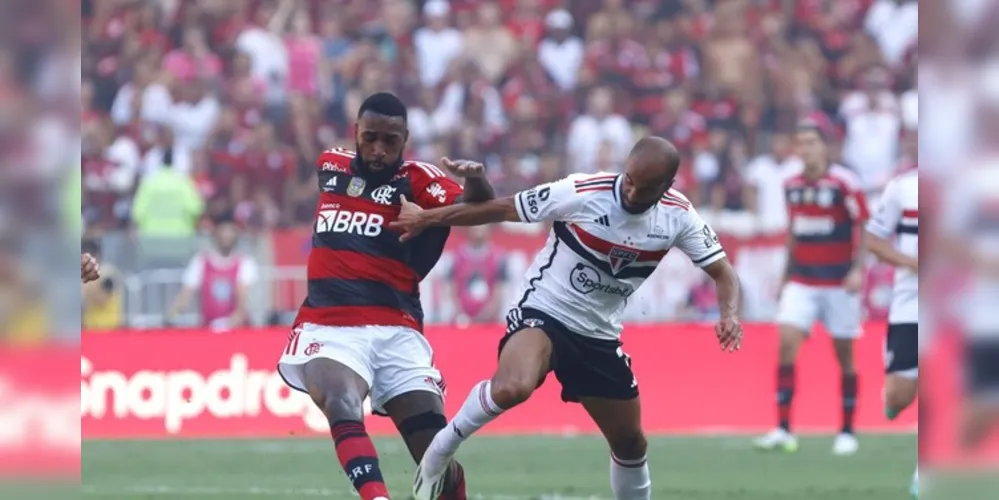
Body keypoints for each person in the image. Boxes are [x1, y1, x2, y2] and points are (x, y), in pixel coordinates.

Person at [391, 136, 743, 500]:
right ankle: (438, 452)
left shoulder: (678, 216)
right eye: (630, 179)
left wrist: (729, 314)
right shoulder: (584, 191)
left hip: (599, 334)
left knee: (630, 443)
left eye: (645, 187)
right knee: (514, 386)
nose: (632, 191)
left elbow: (724, 272)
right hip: (544, 310)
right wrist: (427, 218)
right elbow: (502, 209)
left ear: (667, 186)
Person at [276, 92, 495, 500]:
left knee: (433, 454)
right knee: (341, 401)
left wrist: (476, 180)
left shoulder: (419, 181)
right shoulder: (331, 165)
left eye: (390, 141)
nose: (378, 150)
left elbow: (482, 206)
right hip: (329, 324)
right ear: (355, 132)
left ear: (405, 139)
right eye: (370, 138)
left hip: (398, 327)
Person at [754, 123, 870, 456]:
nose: (805, 149)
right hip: (803, 280)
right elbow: (794, 229)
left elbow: (862, 224)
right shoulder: (791, 185)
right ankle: (783, 428)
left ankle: (847, 430)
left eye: (811, 142)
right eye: (800, 143)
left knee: (844, 356)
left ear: (824, 147)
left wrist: (858, 269)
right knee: (787, 344)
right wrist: (785, 274)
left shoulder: (844, 182)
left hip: (839, 283)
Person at [864, 168, 919, 497]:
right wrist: (913, 263)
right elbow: (874, 240)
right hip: (910, 302)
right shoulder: (902, 188)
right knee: (901, 394)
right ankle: (893, 400)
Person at [168, 216, 260, 331]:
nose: (226, 235)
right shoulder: (201, 261)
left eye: (230, 231)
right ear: (215, 234)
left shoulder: (244, 263)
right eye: (223, 231)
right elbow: (186, 293)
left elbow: (242, 300)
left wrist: (229, 323)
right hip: (208, 328)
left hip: (237, 329)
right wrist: (173, 314)